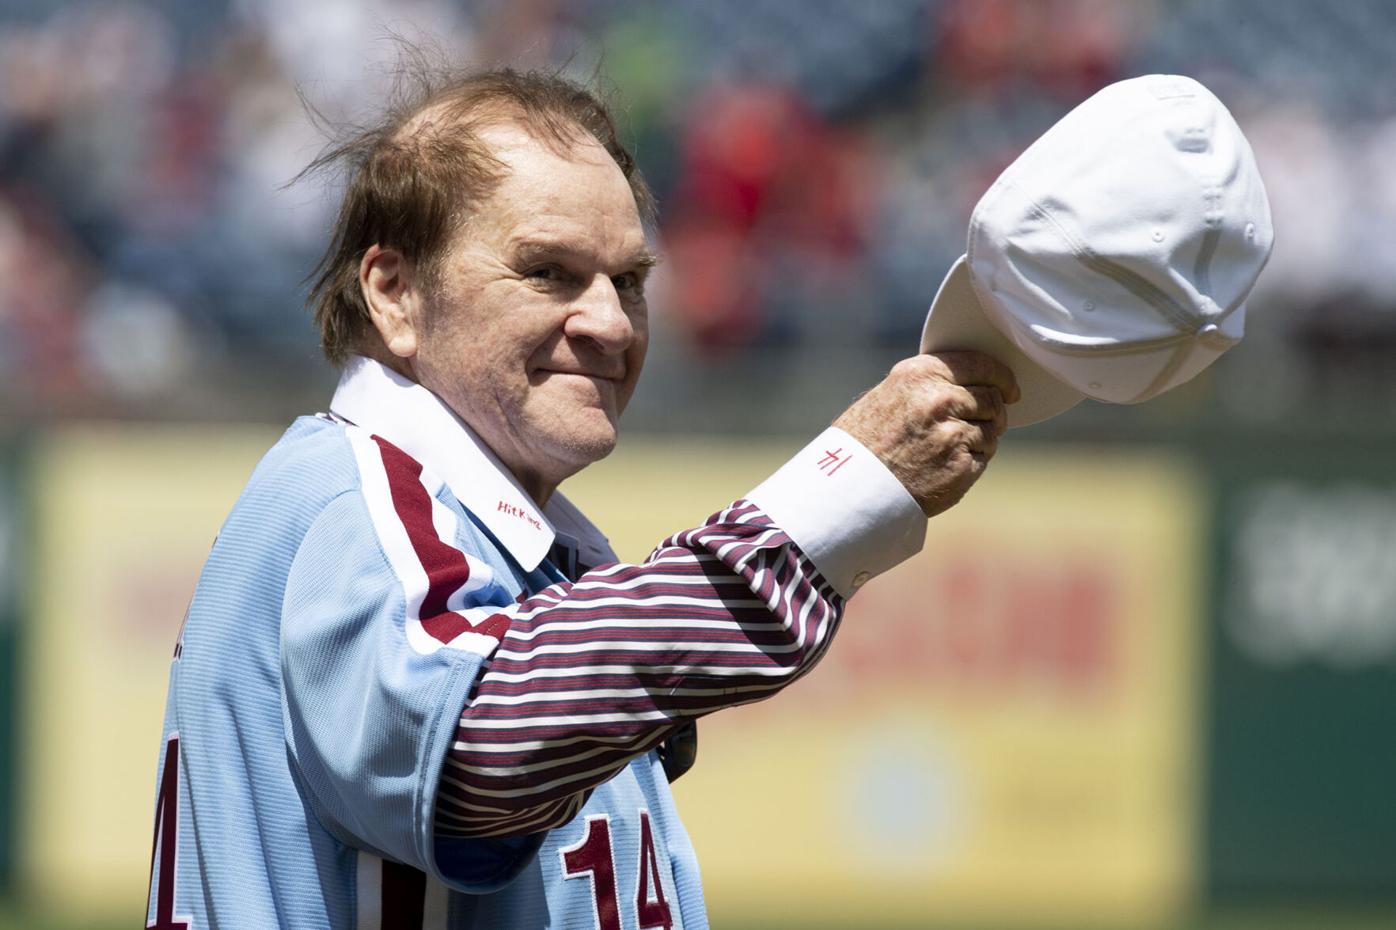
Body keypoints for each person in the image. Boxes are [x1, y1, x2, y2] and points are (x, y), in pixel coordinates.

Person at [145, 66, 1017, 930]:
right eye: (549, 272)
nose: (611, 322)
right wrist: (841, 497)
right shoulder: (361, 495)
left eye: (628, 281)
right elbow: (479, 746)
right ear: (394, 292)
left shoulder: (484, 535)